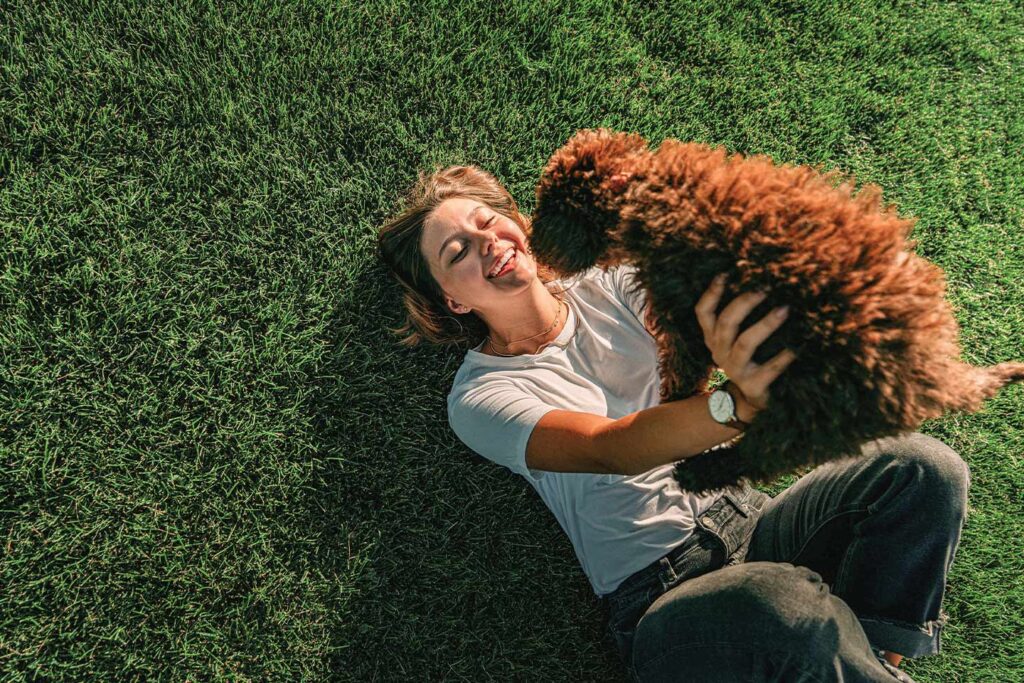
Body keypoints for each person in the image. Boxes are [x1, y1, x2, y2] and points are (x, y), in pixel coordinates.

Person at [377, 164, 970, 682]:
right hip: (661, 600)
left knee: (919, 467)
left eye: (486, 222)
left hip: (754, 525)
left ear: (517, 224)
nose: (485, 243)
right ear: (452, 300)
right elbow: (612, 449)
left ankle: (876, 661)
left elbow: (701, 312)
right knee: (780, 601)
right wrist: (738, 406)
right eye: (456, 252)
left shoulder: (609, 284)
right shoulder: (482, 396)